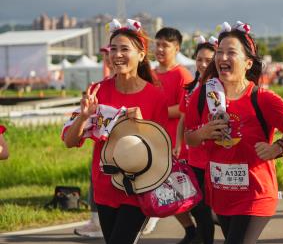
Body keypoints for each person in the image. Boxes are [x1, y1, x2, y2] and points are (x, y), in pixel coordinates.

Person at [184, 21, 283, 244]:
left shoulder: (264, 99)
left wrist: (277, 148)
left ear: (247, 63)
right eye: (220, 52)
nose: (222, 58)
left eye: (231, 53)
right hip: (221, 192)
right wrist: (203, 132)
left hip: (255, 193)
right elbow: (189, 138)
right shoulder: (203, 96)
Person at [63, 19, 168, 244]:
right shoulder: (97, 91)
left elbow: (162, 150)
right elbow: (70, 142)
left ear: (141, 55)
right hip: (104, 186)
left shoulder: (155, 96)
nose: (117, 54)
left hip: (139, 187)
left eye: (124, 49)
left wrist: (142, 126)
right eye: (113, 49)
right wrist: (83, 116)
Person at [146, 27, 195, 241]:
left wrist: (156, 111)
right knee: (167, 193)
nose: (160, 49)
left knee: (183, 192)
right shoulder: (151, 74)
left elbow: (185, 107)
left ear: (176, 48)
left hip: (177, 143)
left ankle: (203, 228)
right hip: (156, 143)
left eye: (165, 45)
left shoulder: (182, 74)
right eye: (157, 44)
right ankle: (192, 231)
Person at [178, 35, 217, 244]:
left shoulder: (220, 88)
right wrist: (178, 144)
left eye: (208, 60)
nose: (202, 64)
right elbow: (183, 119)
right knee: (199, 207)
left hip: (216, 157)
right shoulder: (192, 87)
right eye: (199, 59)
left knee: (220, 209)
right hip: (193, 156)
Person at [74, 46, 113, 239]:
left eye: (122, 49)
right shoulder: (100, 87)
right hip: (103, 152)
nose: (111, 56)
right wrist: (84, 118)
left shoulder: (145, 88)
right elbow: (70, 138)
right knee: (96, 179)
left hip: (131, 158)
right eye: (108, 52)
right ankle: (96, 222)